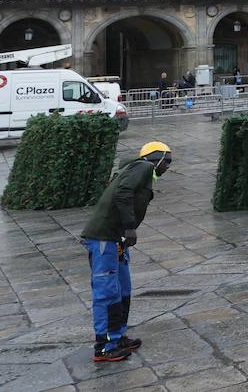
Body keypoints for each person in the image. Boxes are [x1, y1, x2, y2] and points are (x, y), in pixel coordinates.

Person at [80, 140, 173, 362]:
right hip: (104, 238)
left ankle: (118, 336)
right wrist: (130, 227)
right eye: (166, 161)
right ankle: (104, 346)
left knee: (123, 289)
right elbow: (123, 193)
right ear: (155, 158)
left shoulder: (139, 172)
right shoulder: (143, 167)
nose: (168, 167)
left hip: (116, 239)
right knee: (107, 291)